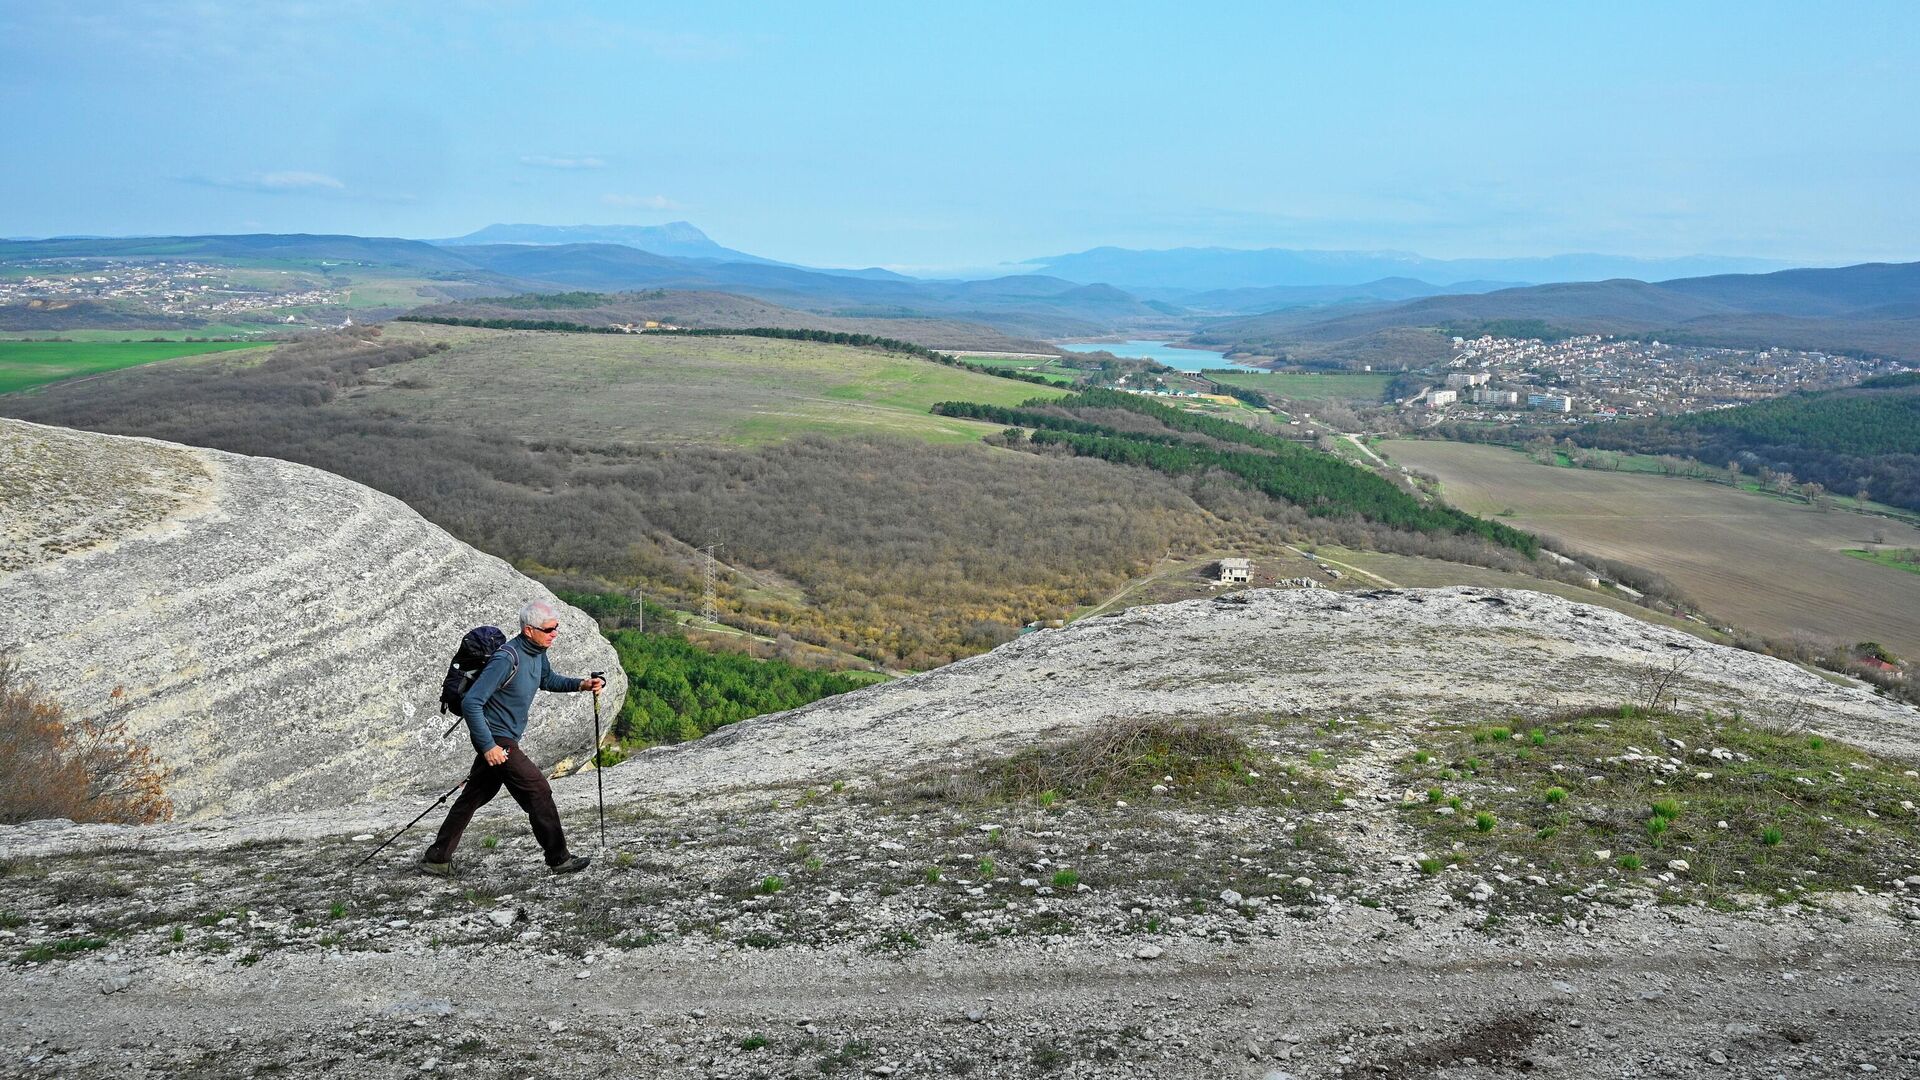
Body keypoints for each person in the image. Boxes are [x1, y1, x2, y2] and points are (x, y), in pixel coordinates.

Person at [421, 600, 606, 876]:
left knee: (475, 795)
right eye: (549, 629)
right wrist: (488, 747)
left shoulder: (537, 652)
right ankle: (560, 859)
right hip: (497, 739)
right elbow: (472, 702)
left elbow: (547, 680)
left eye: (556, 628)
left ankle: (437, 857)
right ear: (529, 630)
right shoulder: (506, 658)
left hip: (502, 738)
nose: (555, 633)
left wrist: (581, 684)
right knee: (538, 791)